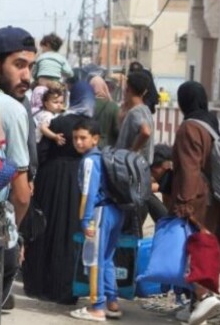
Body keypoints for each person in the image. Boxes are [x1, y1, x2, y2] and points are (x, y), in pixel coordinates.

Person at [23, 80, 95, 304]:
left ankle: (38, 285)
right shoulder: (89, 127)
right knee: (69, 231)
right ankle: (66, 288)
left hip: (50, 180)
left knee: (45, 229)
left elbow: (40, 151)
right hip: (77, 182)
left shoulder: (56, 121)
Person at [171, 81, 220, 325]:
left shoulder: (189, 128)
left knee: (194, 247)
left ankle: (204, 296)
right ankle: (197, 305)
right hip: (218, 196)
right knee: (207, 246)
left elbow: (190, 168)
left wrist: (185, 203)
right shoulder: (215, 122)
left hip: (197, 197)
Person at [0, 26, 35, 311]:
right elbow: (22, 195)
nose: (27, 75)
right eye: (19, 65)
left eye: (30, 66)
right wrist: (15, 232)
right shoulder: (13, 110)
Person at [69, 119, 124, 322]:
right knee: (108, 257)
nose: (78, 142)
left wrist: (85, 221)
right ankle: (113, 302)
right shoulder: (104, 158)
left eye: (83, 138)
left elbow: (88, 194)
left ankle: (97, 306)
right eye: (75, 138)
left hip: (99, 214)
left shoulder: (90, 161)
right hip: (116, 211)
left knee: (94, 261)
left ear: (95, 139)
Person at [116, 71, 155, 235]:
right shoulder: (145, 109)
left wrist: (130, 154)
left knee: (128, 227)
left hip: (131, 175)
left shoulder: (136, 112)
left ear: (128, 88)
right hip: (142, 173)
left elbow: (145, 132)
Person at [90, 76, 120, 148]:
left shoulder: (87, 105)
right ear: (104, 87)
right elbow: (117, 130)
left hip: (91, 145)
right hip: (109, 146)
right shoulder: (113, 106)